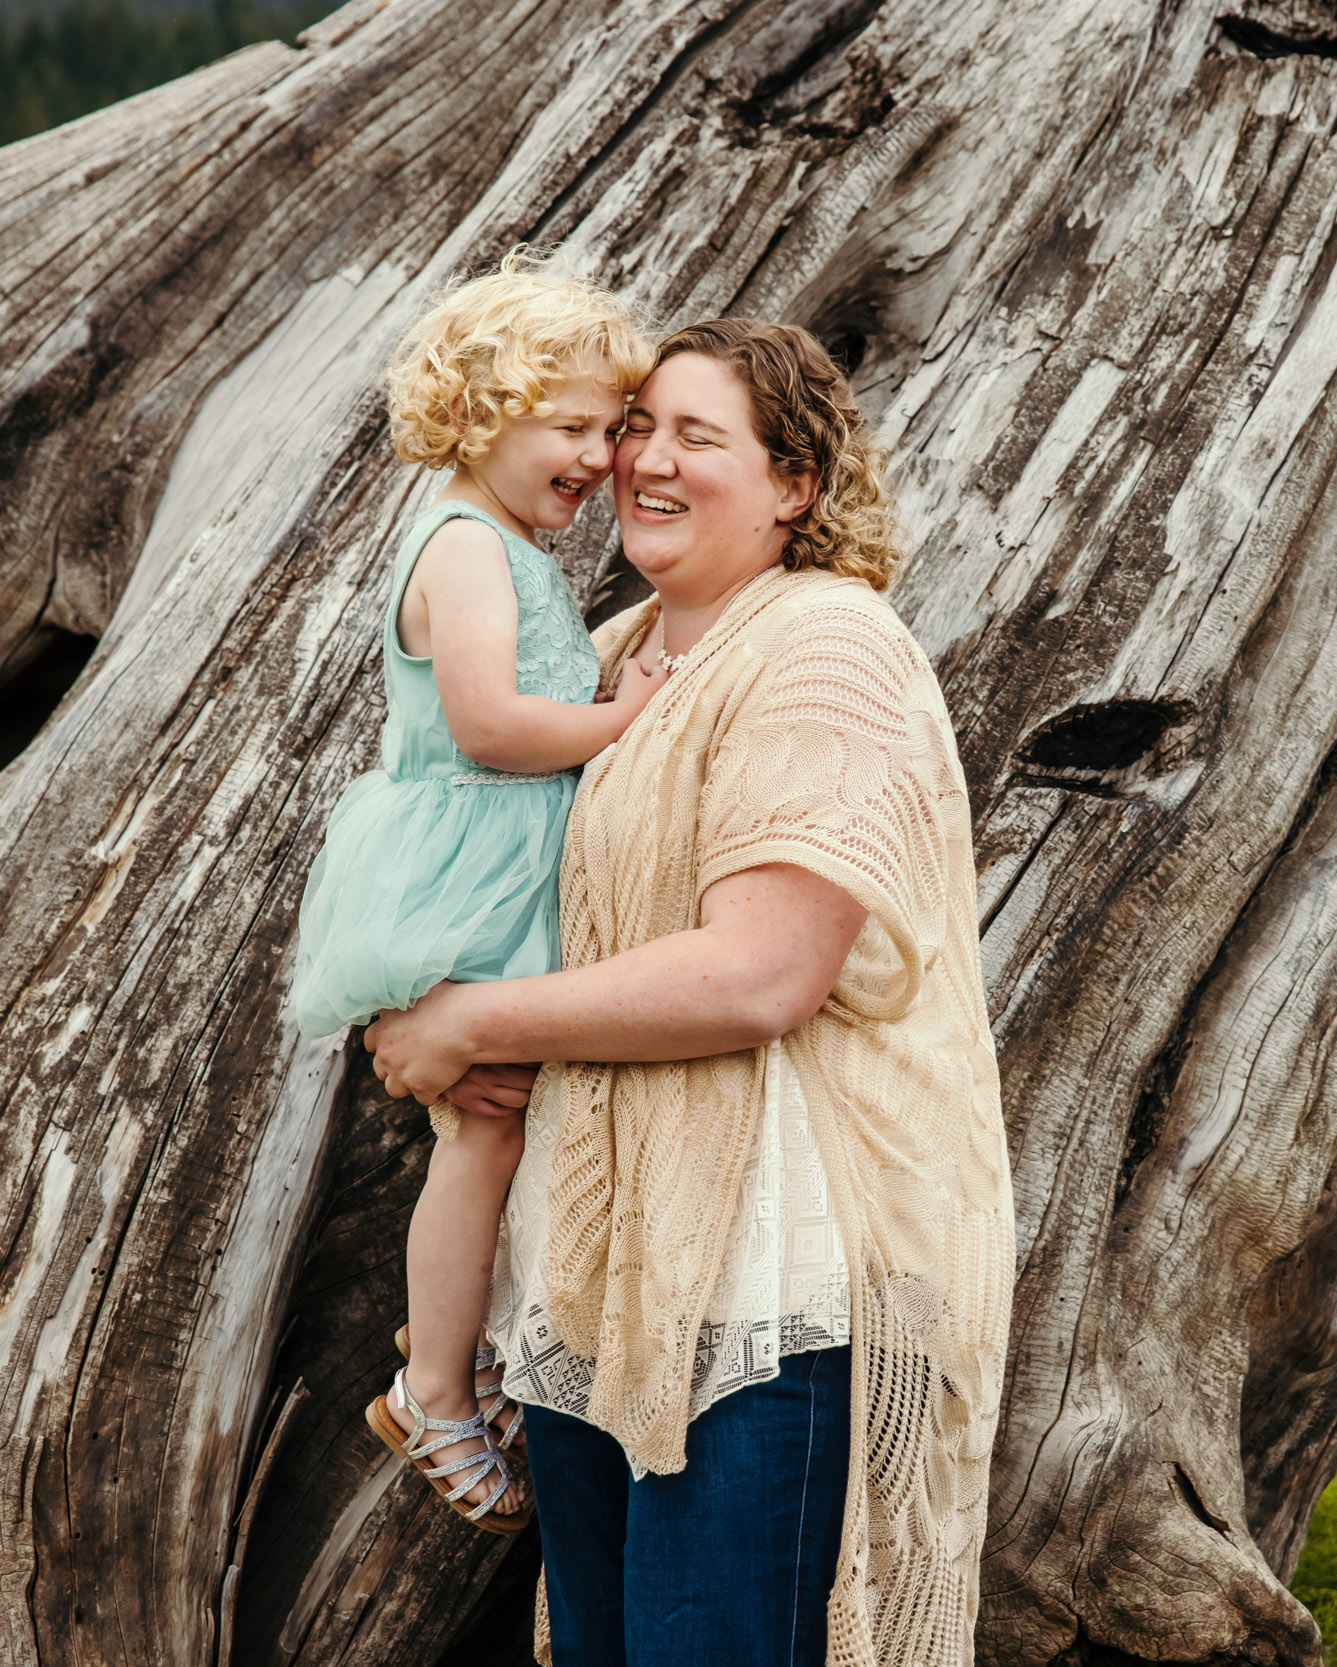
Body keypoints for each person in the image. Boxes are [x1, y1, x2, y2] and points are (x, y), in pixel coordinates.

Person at [365, 319, 1017, 1667]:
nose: (645, 460)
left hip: (771, 1291)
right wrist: (405, 999)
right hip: (607, 1274)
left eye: (697, 437)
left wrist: (469, 1025)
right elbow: (478, 861)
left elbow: (760, 970)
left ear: (796, 484)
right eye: (636, 427)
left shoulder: (825, 648)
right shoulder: (611, 660)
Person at [289, 249, 662, 1531]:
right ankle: (437, 1383)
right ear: (479, 412)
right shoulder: (461, 547)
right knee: (487, 1123)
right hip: (464, 873)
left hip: (503, 868)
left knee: (518, 1123)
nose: (601, 456)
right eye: (570, 425)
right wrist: (621, 720)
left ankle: (473, 1345)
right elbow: (494, 724)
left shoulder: (505, 544)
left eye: (612, 429)